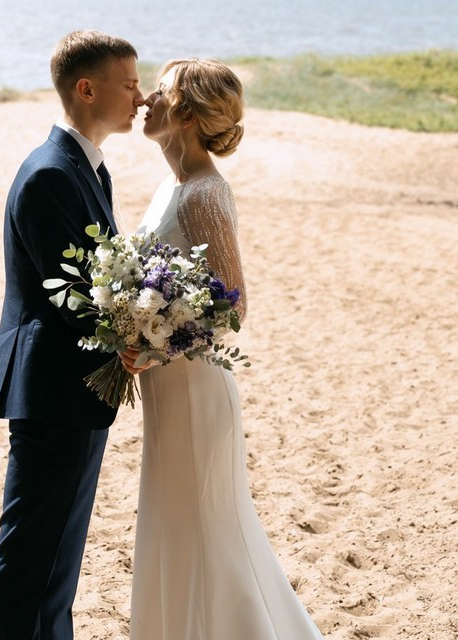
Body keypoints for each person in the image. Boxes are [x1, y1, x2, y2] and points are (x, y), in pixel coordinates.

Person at [129, 58, 324, 640]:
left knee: (208, 530)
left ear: (186, 115)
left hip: (194, 391)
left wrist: (156, 346)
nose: (145, 101)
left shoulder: (204, 194)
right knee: (178, 527)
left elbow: (232, 305)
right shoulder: (171, 187)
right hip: (166, 390)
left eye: (159, 92)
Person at [0, 30, 145, 640]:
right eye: (129, 84)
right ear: (87, 89)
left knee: (57, 560)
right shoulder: (50, 174)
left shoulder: (88, 169)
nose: (140, 97)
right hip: (52, 388)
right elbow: (72, 295)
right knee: (31, 554)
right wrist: (136, 334)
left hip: (76, 389)